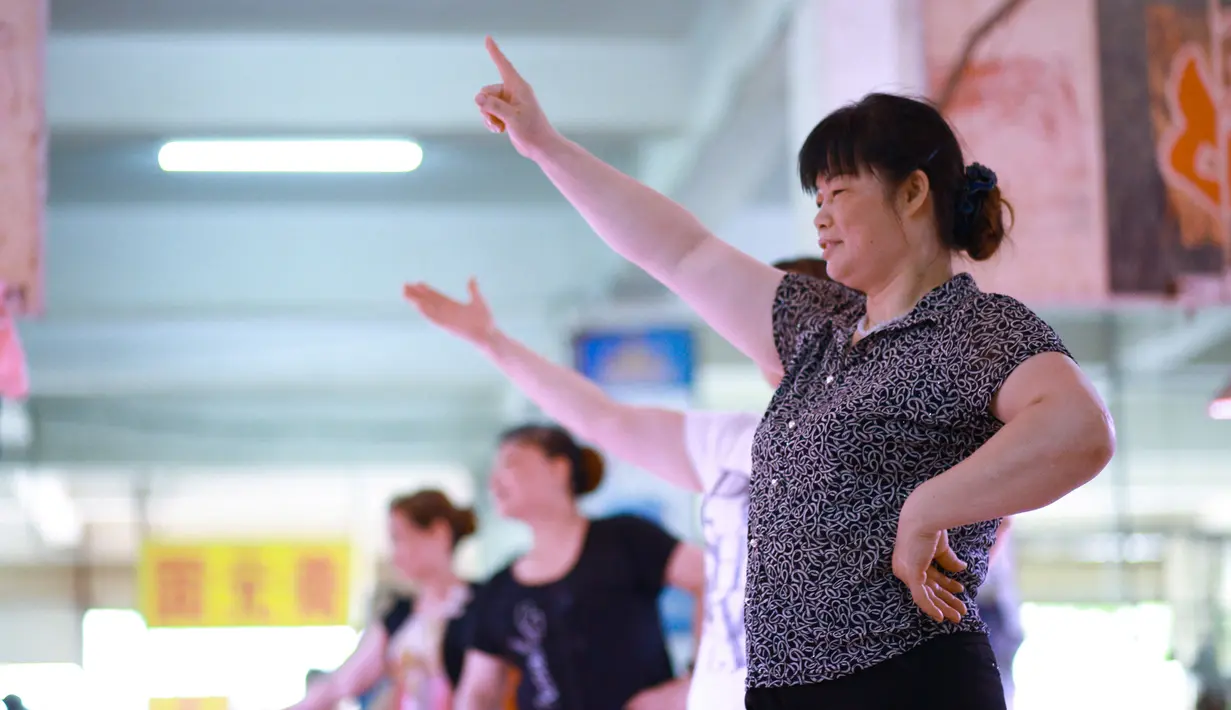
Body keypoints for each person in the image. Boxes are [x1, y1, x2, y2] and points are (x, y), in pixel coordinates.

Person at [470, 37, 1116, 710]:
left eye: (838, 191)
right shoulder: (817, 325)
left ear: (913, 193)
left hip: (908, 674)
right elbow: (678, 250)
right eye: (815, 196)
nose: (820, 215)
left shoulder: (977, 328)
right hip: (783, 684)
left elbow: (1080, 431)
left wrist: (927, 507)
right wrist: (546, 145)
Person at [404, 257, 827, 710]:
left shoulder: (624, 539)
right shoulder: (730, 438)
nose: (750, 333)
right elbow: (602, 418)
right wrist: (492, 342)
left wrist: (677, 689)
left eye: (769, 315)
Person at [452, 424, 705, 710]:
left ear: (559, 469)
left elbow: (712, 579)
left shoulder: (625, 539)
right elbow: (478, 692)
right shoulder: (498, 589)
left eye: (511, 462)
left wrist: (695, 682)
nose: (494, 481)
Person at [284, 490, 485, 710]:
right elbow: (343, 682)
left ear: (439, 533)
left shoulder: (484, 605)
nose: (395, 553)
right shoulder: (400, 615)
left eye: (400, 538)